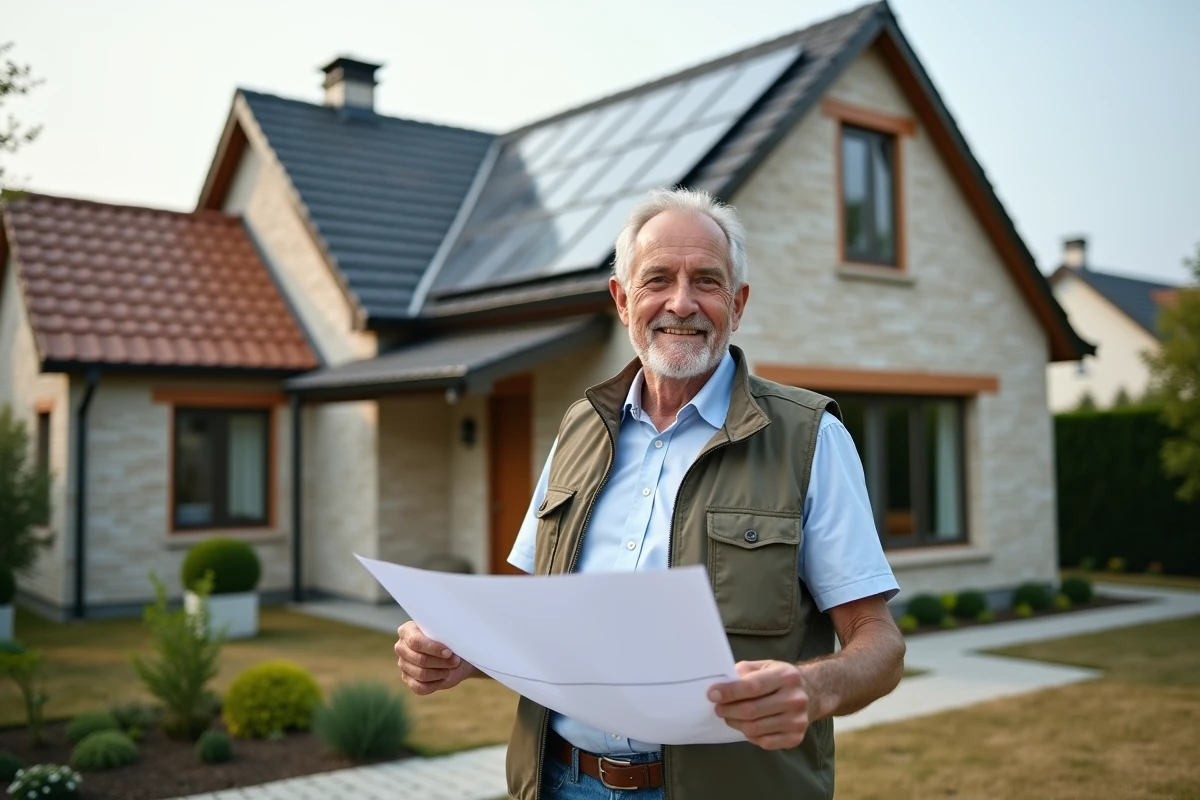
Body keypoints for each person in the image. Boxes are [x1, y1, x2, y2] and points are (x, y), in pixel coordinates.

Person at [394, 188, 905, 799]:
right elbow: (538, 619)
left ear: (737, 305)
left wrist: (815, 687)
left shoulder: (810, 438)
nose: (681, 303)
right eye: (657, 278)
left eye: (707, 282)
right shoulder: (580, 426)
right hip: (559, 781)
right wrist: (463, 652)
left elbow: (880, 641)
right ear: (622, 299)